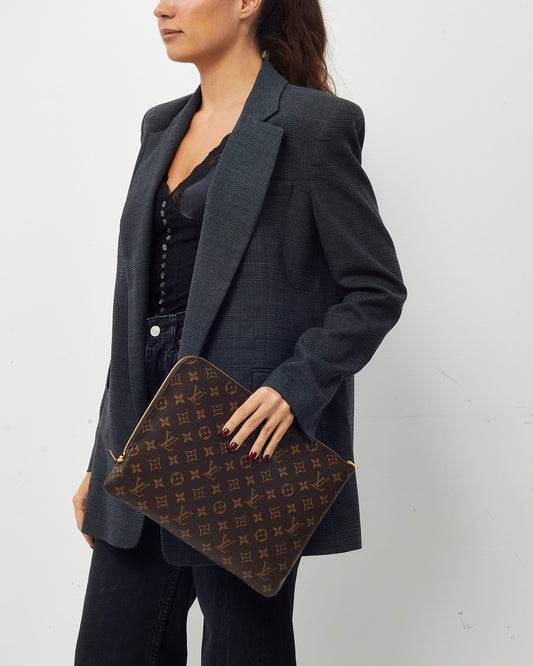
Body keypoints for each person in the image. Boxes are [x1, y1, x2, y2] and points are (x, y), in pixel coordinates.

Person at [72, 0, 407, 663]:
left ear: (248, 4)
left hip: (239, 441)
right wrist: (100, 456)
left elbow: (374, 289)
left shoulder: (312, 126)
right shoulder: (160, 126)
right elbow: (136, 310)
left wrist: (294, 387)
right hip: (140, 438)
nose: (161, 8)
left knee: (242, 651)